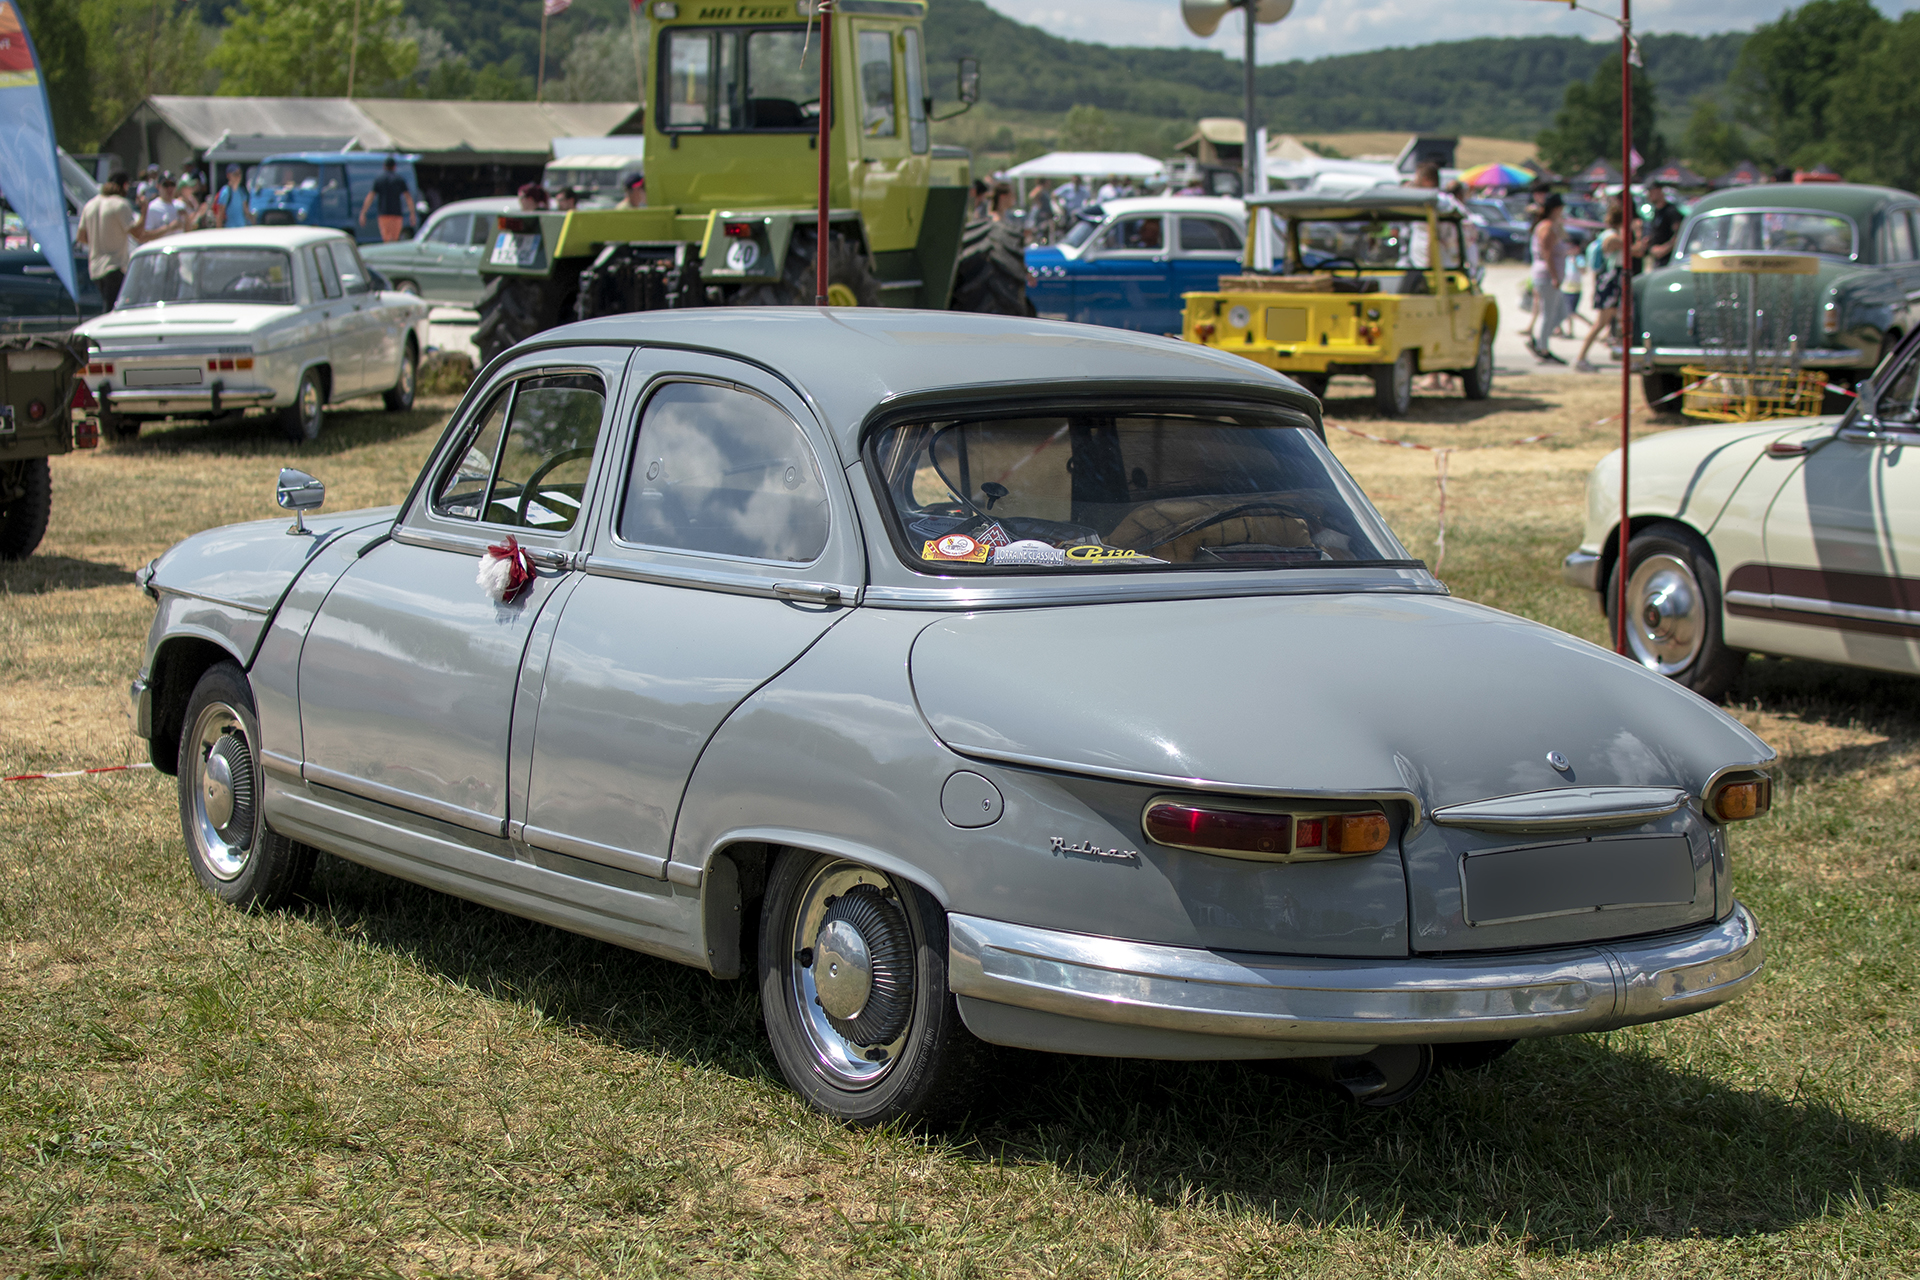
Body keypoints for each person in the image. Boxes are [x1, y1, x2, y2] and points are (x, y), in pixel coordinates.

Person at [75, 172, 149, 309]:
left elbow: (81, 237)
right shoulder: (120, 204)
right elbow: (137, 234)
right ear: (125, 185)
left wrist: (99, 240)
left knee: (106, 306)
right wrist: (144, 210)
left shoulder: (90, 205)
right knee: (115, 309)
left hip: (95, 268)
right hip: (114, 265)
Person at [1574, 204, 1629, 374]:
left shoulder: (1606, 235)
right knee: (1601, 322)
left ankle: (1626, 356)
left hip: (1607, 282)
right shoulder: (1613, 238)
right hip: (1610, 283)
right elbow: (1634, 250)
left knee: (1618, 320)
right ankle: (1580, 358)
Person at [1529, 193, 1568, 363]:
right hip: (1546, 275)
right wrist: (1554, 276)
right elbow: (1547, 253)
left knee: (1561, 312)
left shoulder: (1552, 225)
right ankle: (1542, 347)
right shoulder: (1547, 227)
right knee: (1549, 313)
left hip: (1547, 275)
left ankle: (1540, 342)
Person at [359, 157, 416, 243]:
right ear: (394, 167)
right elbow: (408, 197)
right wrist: (412, 213)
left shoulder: (379, 179)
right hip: (397, 214)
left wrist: (363, 212)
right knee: (395, 239)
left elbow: (370, 196)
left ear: (384, 166)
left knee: (386, 239)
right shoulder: (399, 179)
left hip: (384, 214)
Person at [1644, 183, 1683, 268]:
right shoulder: (1656, 212)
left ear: (1659, 191)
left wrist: (1663, 249)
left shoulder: (1671, 211)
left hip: (1669, 261)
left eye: (1651, 192)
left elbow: (1679, 234)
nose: (1649, 195)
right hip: (1658, 261)